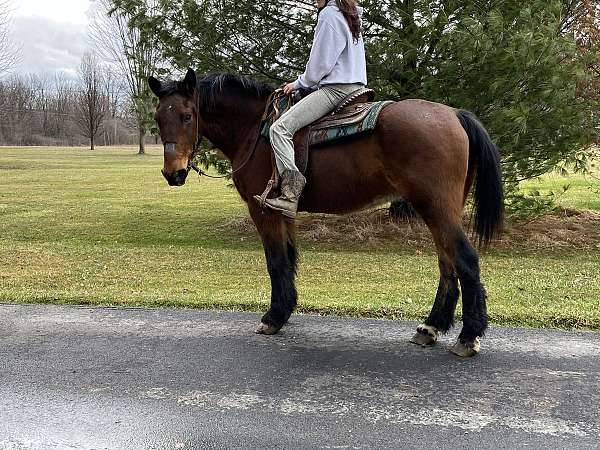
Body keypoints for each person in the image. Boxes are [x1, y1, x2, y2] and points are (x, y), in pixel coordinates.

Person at [257, 0, 368, 218]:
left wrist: (298, 83)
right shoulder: (350, 14)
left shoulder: (329, 15)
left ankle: (290, 195)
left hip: (335, 90)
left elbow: (319, 66)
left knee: (279, 130)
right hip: (357, 86)